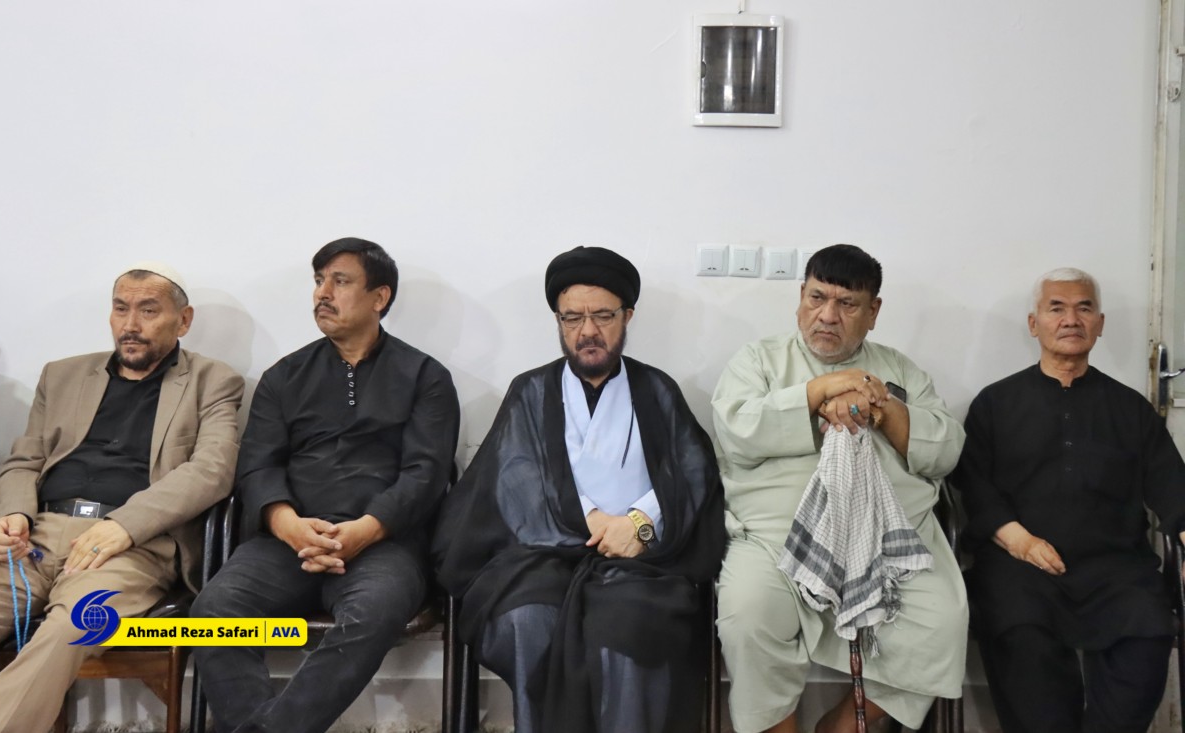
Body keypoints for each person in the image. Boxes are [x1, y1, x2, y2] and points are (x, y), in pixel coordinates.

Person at [434, 246, 725, 733]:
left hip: (639, 562)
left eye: (603, 316)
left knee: (630, 628)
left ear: (627, 316)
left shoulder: (657, 390)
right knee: (526, 620)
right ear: (559, 321)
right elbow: (514, 477)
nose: (587, 330)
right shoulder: (531, 390)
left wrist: (640, 523)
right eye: (572, 317)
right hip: (540, 558)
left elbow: (691, 472)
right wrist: (588, 517)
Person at [191, 237, 459, 733]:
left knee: (373, 613)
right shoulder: (284, 376)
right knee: (214, 610)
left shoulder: (425, 377)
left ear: (379, 297)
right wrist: (286, 523)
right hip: (287, 542)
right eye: (318, 281)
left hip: (383, 543)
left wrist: (367, 529)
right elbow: (257, 466)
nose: (323, 293)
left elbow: (426, 473)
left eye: (340, 281)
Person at [710, 243, 968, 733]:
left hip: (889, 545)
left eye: (847, 304)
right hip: (776, 542)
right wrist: (817, 393)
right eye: (817, 297)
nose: (827, 315)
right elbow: (736, 430)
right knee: (748, 615)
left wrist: (880, 409)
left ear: (873, 312)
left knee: (942, 620)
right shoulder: (759, 360)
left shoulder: (899, 371)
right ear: (800, 298)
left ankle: (841, 726)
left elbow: (946, 449)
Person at [0, 263, 243, 733]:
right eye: (121, 309)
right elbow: (23, 461)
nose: (130, 324)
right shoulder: (62, 375)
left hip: (132, 548)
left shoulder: (213, 380)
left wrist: (125, 525)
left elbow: (213, 470)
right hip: (34, 538)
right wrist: (13, 513)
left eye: (148, 310)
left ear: (183, 320)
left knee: (72, 629)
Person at [953, 267, 1185, 733]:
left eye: (1084, 308)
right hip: (1021, 565)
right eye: (1056, 308)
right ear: (1034, 323)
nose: (1071, 319)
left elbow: (1172, 485)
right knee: (1021, 634)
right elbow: (974, 486)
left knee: (1148, 628)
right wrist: (1020, 542)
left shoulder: (1131, 408)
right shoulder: (994, 404)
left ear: (1099, 324)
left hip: (1117, 567)